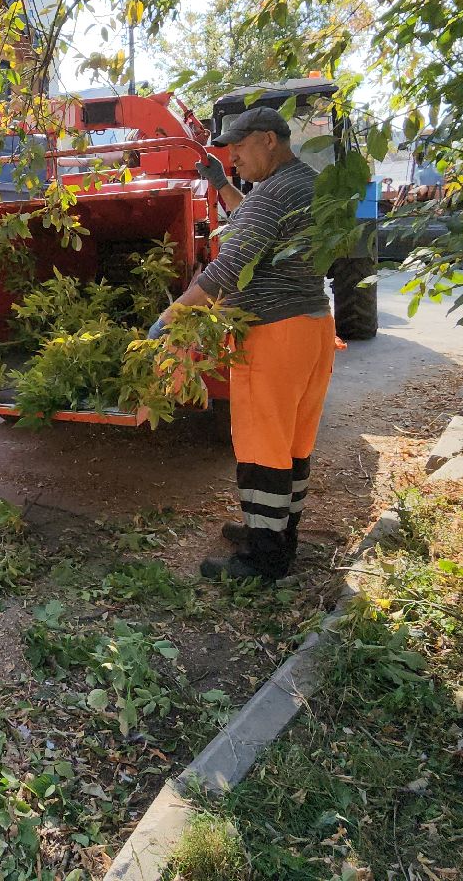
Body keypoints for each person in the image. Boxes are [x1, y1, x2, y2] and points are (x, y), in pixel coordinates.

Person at [154, 107, 336, 582]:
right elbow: (257, 224)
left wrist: (171, 315)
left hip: (273, 335)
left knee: (260, 448)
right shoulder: (306, 184)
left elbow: (224, 271)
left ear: (269, 140)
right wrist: (221, 186)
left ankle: (262, 561)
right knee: (293, 444)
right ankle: (278, 534)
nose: (230, 155)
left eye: (238, 146)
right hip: (312, 329)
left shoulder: (273, 195)